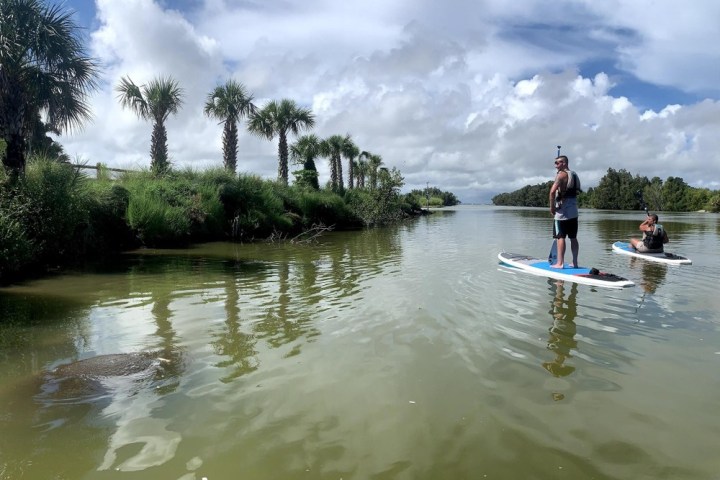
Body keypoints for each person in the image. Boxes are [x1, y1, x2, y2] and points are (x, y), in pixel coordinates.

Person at [549, 155, 581, 268]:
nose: (555, 165)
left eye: (558, 163)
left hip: (562, 213)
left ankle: (560, 263)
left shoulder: (561, 175)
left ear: (564, 163)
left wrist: (552, 207)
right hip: (573, 212)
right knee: (573, 237)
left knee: (560, 237)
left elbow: (552, 192)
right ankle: (575, 263)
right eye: (555, 163)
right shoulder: (575, 175)